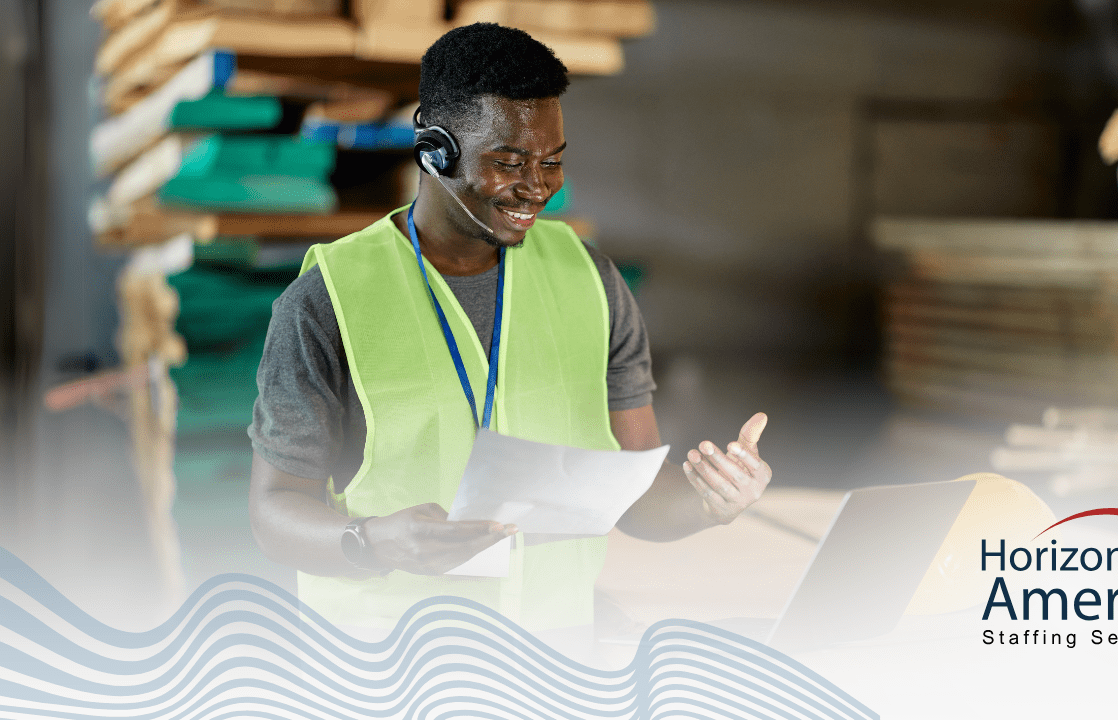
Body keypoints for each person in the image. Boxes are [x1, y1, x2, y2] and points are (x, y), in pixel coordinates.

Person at [247, 23, 772, 636]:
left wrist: (712, 504)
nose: (538, 187)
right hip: (388, 670)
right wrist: (372, 543)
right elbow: (272, 513)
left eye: (551, 162)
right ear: (436, 151)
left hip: (550, 665)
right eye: (508, 163)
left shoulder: (591, 281)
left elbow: (634, 499)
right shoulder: (326, 300)